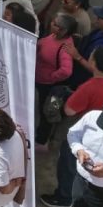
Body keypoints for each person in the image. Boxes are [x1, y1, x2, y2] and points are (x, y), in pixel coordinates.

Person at [40, 48, 103, 207]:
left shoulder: (90, 87)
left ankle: (65, 197)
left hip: (84, 132)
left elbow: (69, 111)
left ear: (93, 63)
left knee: (68, 162)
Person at [34, 13, 78, 148]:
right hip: (41, 81)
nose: (51, 24)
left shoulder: (65, 48)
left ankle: (42, 140)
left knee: (48, 112)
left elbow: (66, 71)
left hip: (52, 88)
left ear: (63, 30)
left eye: (55, 24)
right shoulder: (53, 36)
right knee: (42, 109)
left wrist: (51, 76)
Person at [64, 4, 103, 89]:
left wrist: (77, 57)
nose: (97, 19)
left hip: (84, 81)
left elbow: (98, 70)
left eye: (100, 18)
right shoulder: (102, 30)